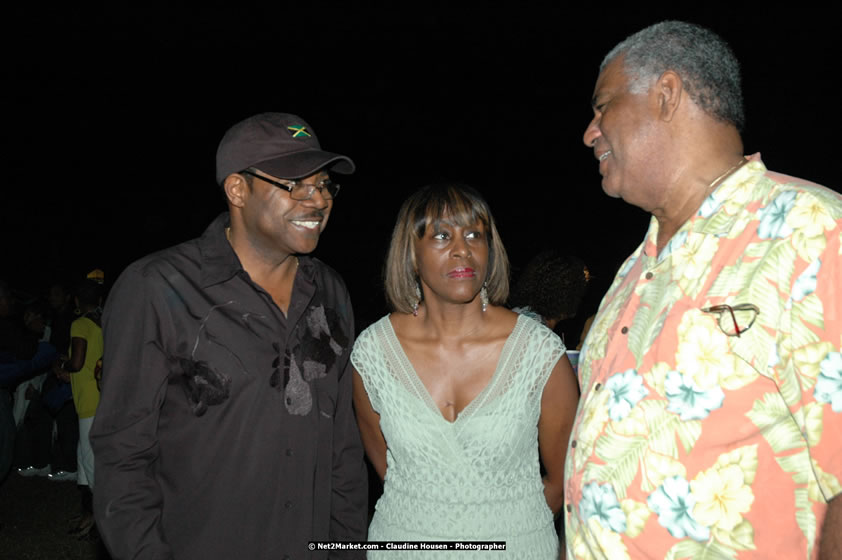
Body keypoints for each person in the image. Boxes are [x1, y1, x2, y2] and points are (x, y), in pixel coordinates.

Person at [565, 21, 842, 560]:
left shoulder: (812, 233)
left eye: (603, 107)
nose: (590, 132)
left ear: (666, 94)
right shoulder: (632, 271)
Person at [90, 113, 368, 559]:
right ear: (238, 189)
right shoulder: (159, 288)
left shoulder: (330, 291)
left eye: (323, 184)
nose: (317, 200)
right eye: (295, 183)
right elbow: (123, 454)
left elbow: (341, 446)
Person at [352, 183, 579, 557]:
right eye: (442, 235)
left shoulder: (538, 352)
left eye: (475, 234)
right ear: (411, 254)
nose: (463, 249)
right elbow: (390, 471)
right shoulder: (374, 353)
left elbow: (563, 477)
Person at [53, 278, 104, 536]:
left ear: (75, 301)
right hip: (98, 397)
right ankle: (88, 512)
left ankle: (103, 519)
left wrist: (61, 367)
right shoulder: (102, 324)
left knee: (90, 460)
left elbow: (77, 362)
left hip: (89, 401)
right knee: (83, 460)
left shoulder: (80, 324)